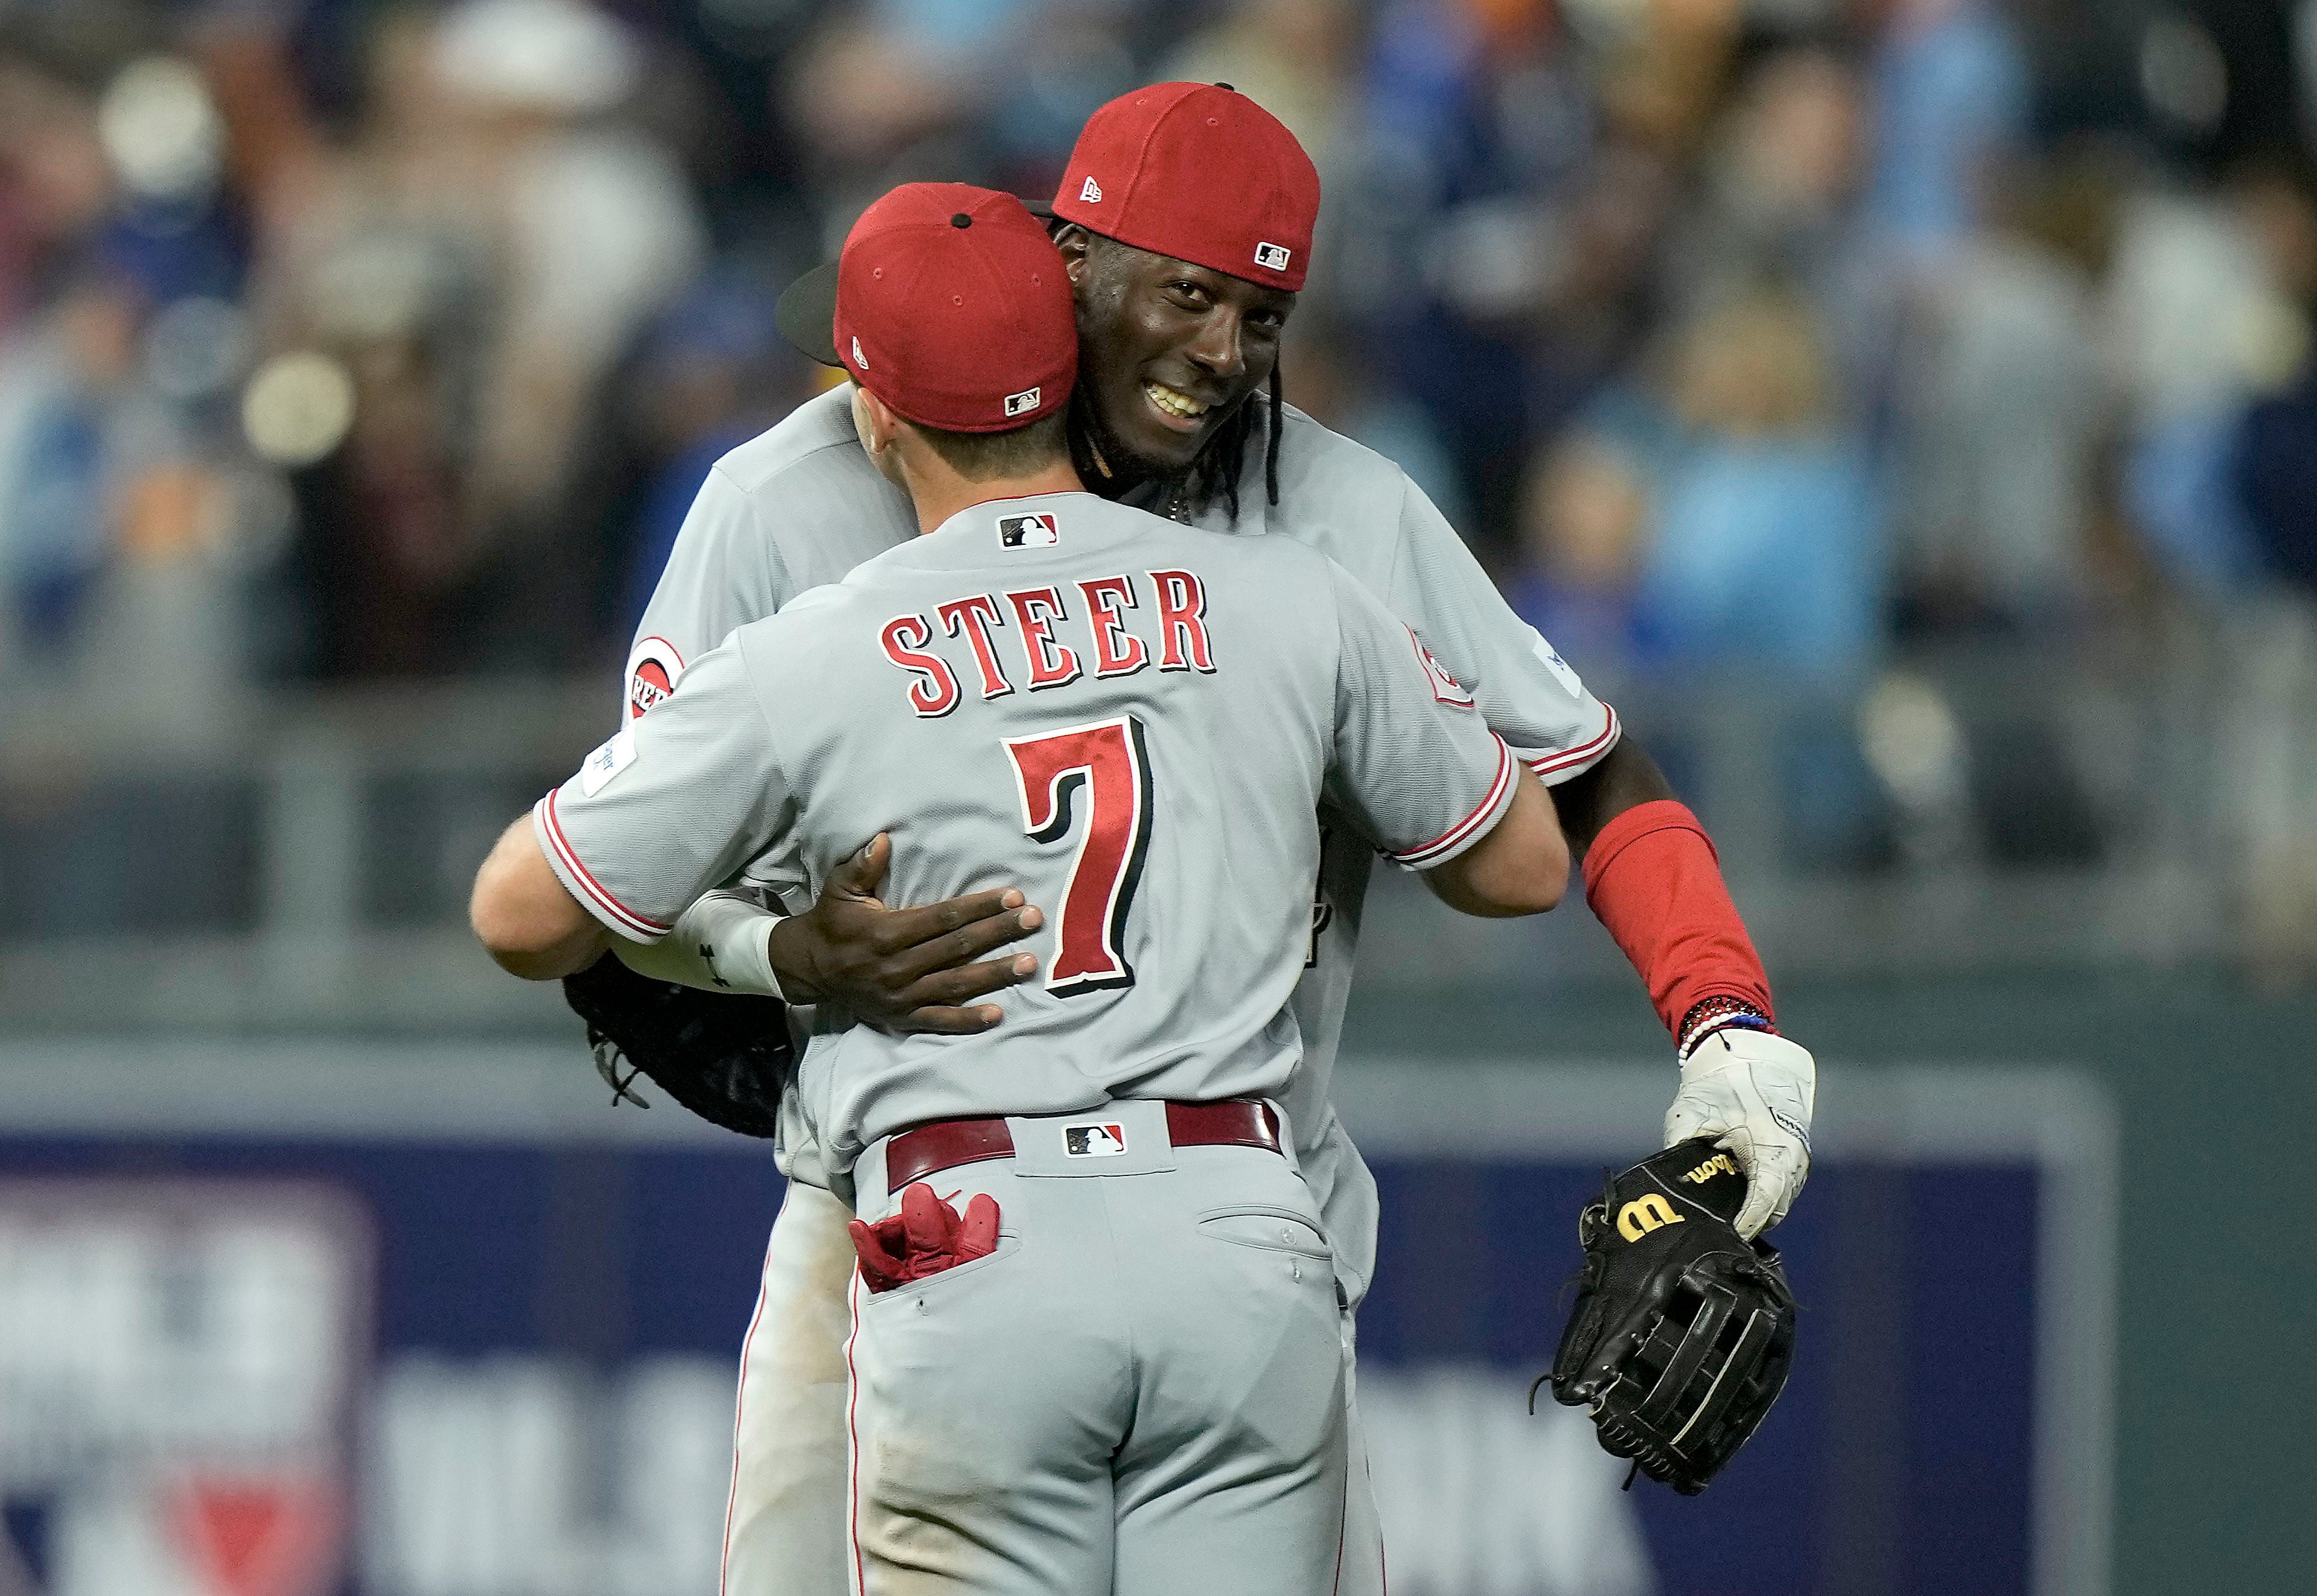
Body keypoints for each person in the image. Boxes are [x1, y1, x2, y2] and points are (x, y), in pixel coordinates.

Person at [611, 84, 1817, 1596]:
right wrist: (747, 956)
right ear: (1068, 258)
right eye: (1186, 291)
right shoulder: (799, 490)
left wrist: (1722, 1017)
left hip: (1245, 1214)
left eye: (1261, 314)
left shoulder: (1333, 510)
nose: (1221, 354)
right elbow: (619, 868)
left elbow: (1579, 774)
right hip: (899, 1229)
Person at [470, 181, 1573, 1592]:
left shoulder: (823, 650)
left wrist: (778, 958)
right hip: (1241, 1217)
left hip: (966, 1222)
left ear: (874, 412)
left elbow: (520, 912)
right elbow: (1524, 862)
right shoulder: (1288, 593)